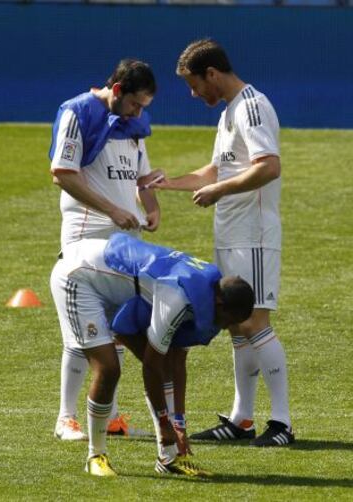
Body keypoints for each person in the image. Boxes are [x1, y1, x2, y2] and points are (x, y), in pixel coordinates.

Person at [145, 39, 294, 447]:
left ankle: (282, 423)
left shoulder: (252, 106)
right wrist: (171, 183)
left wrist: (220, 191)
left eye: (195, 85)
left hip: (255, 236)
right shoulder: (229, 113)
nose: (194, 94)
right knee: (237, 327)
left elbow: (269, 167)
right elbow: (216, 170)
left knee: (255, 323)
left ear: (212, 73)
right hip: (231, 234)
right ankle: (241, 418)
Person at [50, 232, 254, 476]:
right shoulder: (177, 297)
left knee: (165, 364)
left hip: (118, 286)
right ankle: (96, 456)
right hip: (78, 275)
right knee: (108, 369)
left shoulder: (207, 292)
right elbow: (151, 366)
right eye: (227, 322)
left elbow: (177, 360)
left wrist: (179, 423)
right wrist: (165, 422)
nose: (223, 329)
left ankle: (168, 459)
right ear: (220, 305)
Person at [49, 59, 160, 441]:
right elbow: (62, 172)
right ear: (116, 90)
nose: (138, 113)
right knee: (82, 331)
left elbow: (142, 177)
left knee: (118, 329)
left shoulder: (133, 126)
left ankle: (110, 417)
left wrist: (151, 206)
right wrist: (112, 209)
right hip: (86, 236)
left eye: (144, 107)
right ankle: (66, 418)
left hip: (126, 242)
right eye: (135, 105)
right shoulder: (77, 112)